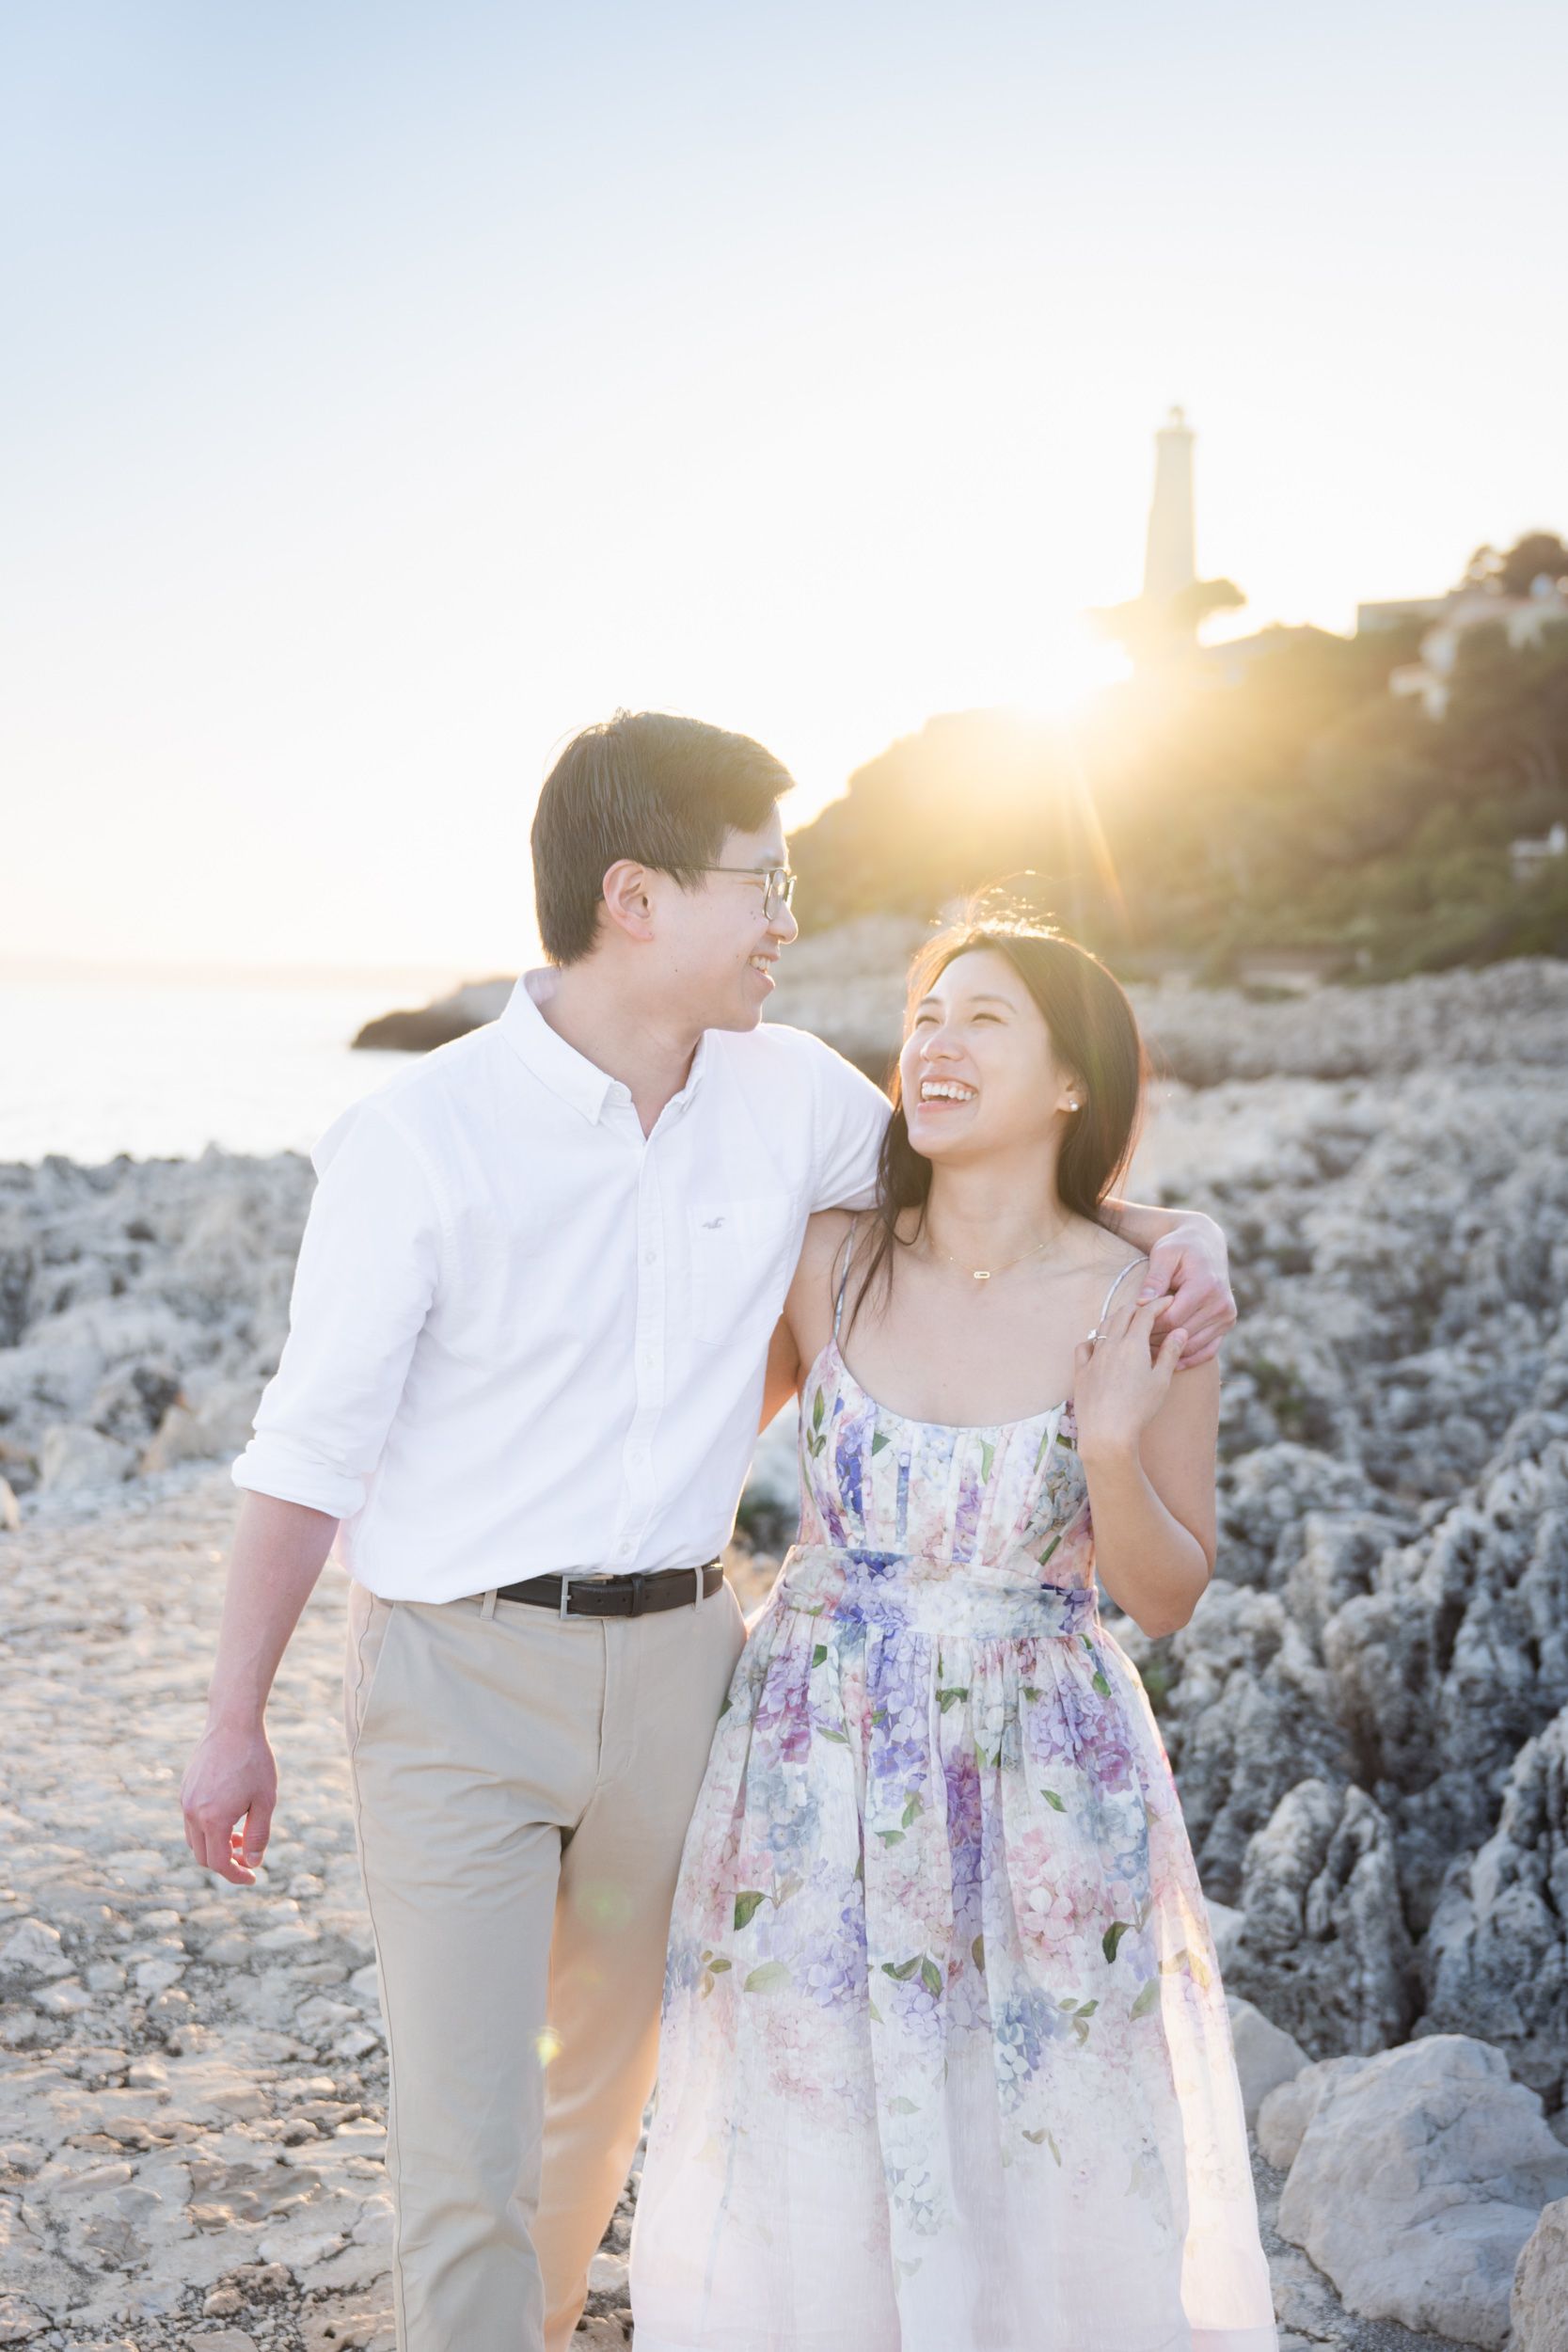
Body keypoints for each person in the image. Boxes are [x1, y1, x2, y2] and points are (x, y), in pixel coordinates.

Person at [178, 711, 1236, 2352]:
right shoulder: (419, 1134)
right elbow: (307, 1448)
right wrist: (231, 1713)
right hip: (457, 1672)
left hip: (687, 1671)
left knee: (601, 2104)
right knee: (464, 2123)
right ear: (635, 898)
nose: (790, 925)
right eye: (765, 885)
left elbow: (987, 1195)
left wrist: (1190, 1235)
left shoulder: (790, 1096)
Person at [631, 921, 1276, 2352]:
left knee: (1042, 2118)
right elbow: (669, 1423)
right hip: (816, 1770)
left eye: (984, 1019)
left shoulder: (1149, 1303)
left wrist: (1112, 1443)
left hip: (1048, 1784)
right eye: (925, 1016)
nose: (935, 1043)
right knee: (818, 2109)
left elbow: (1169, 1594)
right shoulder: (833, 1262)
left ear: (1069, 1082)